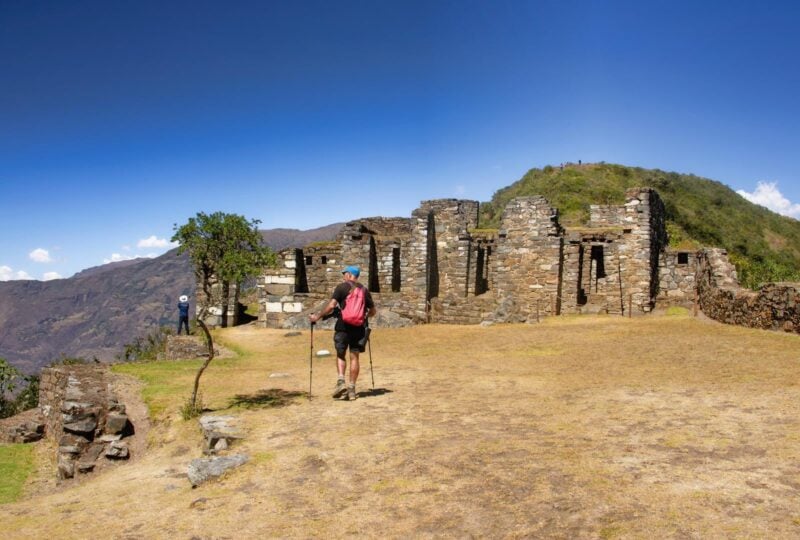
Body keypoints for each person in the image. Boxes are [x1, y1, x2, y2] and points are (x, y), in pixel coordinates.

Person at [309, 265, 376, 401]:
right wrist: (364, 317)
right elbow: (373, 311)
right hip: (358, 327)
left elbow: (332, 305)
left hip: (343, 327)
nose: (343, 276)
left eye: (344, 273)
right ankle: (351, 389)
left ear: (350, 275)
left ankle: (341, 382)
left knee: (341, 355)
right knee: (354, 357)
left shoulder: (341, 288)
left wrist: (317, 316)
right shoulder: (364, 290)